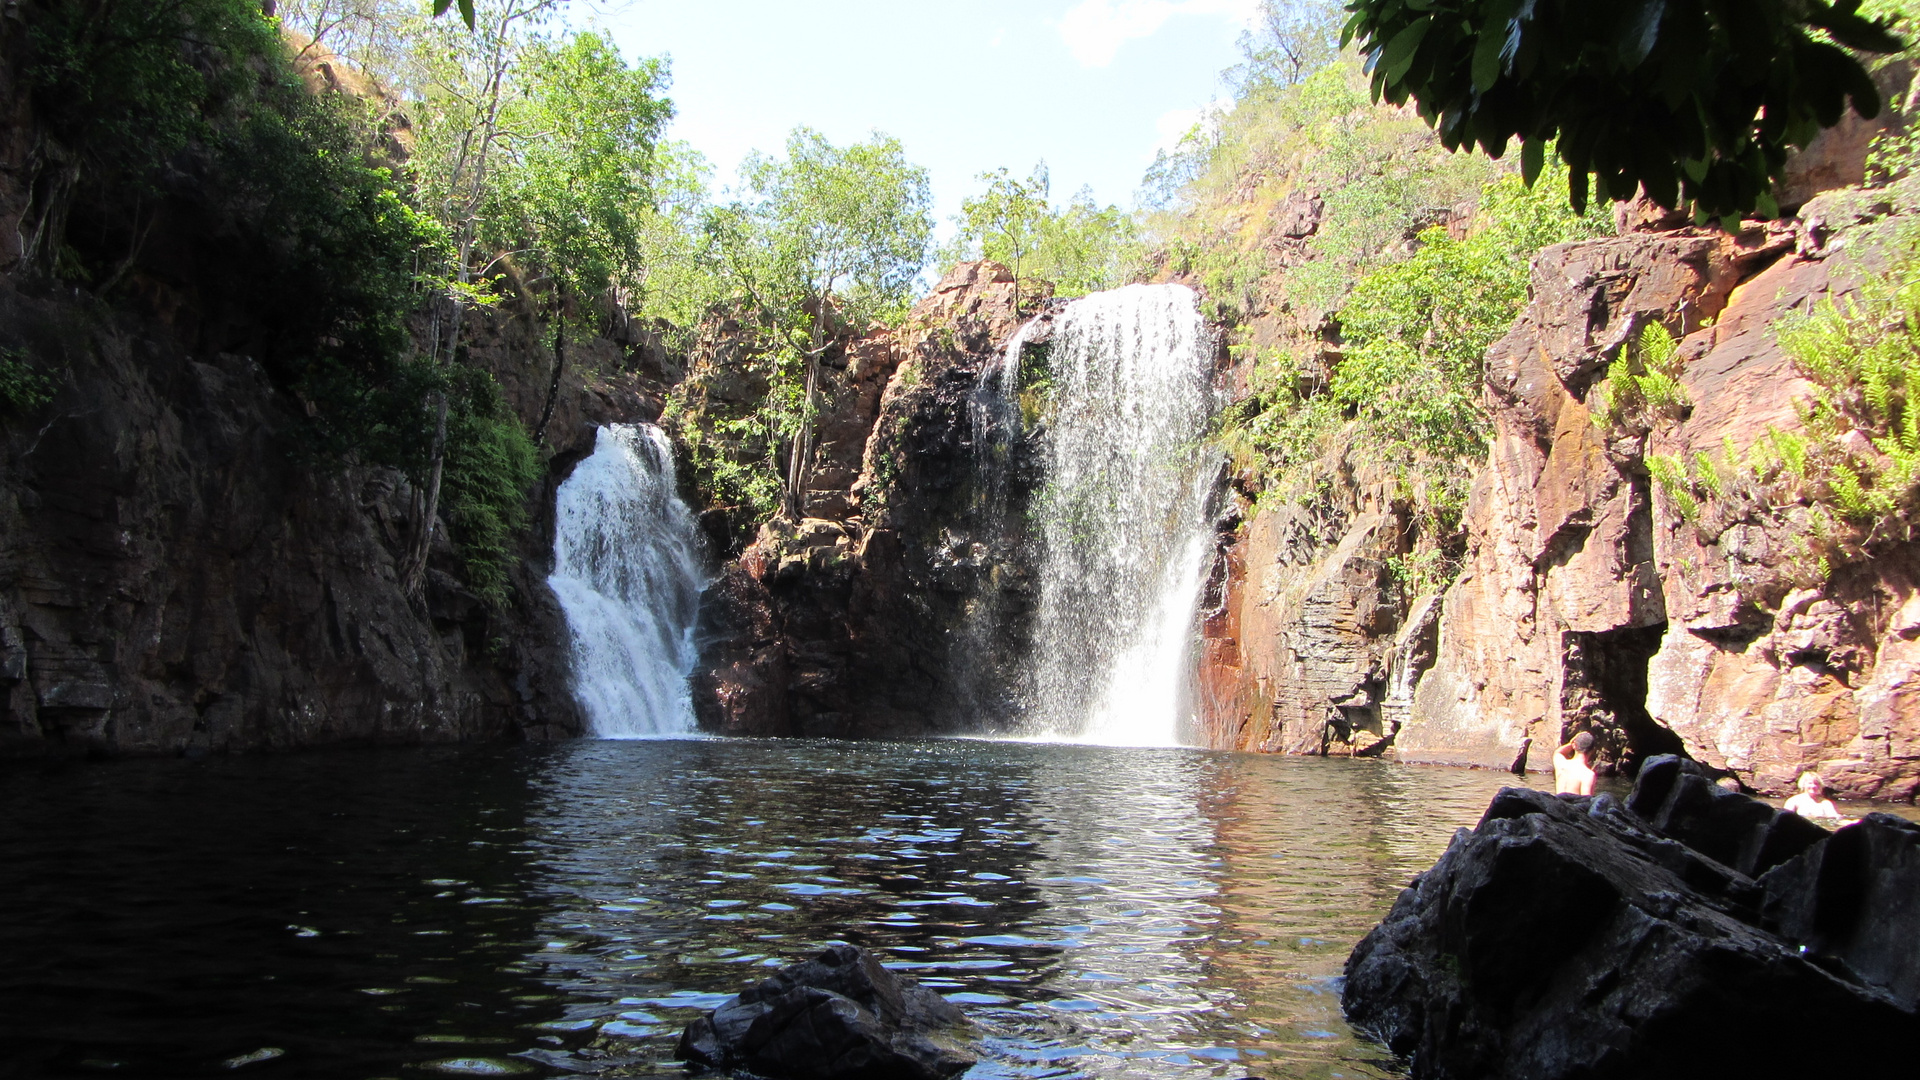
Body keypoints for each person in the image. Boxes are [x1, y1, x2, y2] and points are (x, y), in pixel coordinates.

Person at [1553, 731, 1597, 796]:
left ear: (1574, 745)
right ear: (1592, 750)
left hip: (1558, 804)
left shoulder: (1561, 765)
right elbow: (1586, 800)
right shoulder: (1588, 775)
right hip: (1572, 805)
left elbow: (1558, 752)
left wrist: (1571, 743)